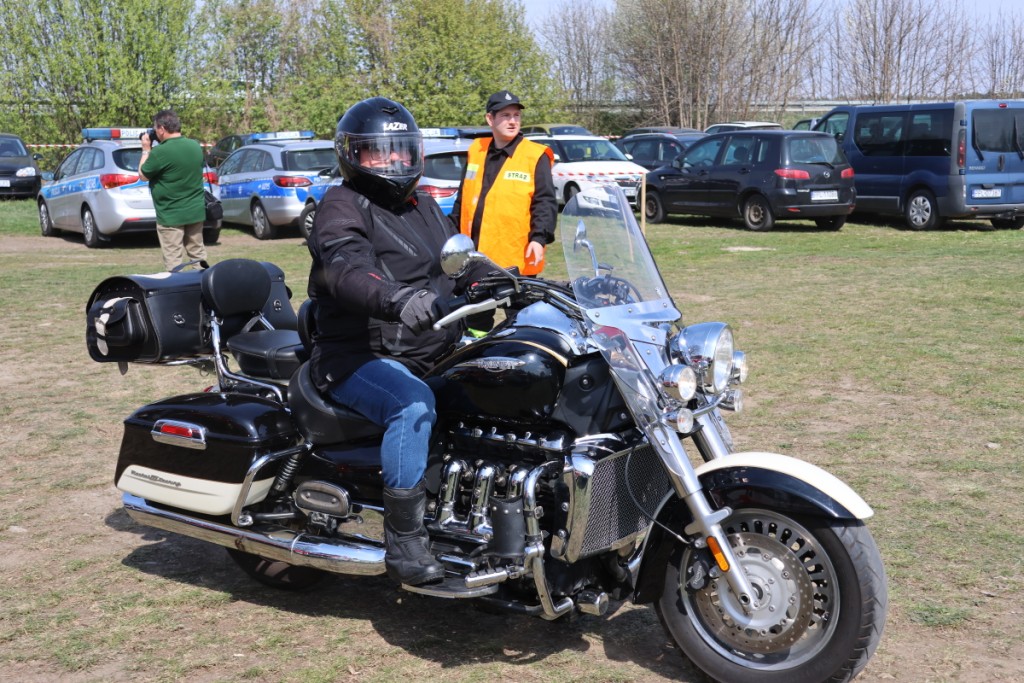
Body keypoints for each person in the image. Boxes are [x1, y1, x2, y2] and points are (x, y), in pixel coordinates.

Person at [306, 97, 490, 587]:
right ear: (352, 156)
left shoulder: (422, 205)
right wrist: (397, 298)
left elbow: (459, 262)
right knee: (411, 404)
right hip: (358, 356)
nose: (392, 160)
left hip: (431, 350)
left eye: (400, 150)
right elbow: (346, 269)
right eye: (377, 152)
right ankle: (404, 540)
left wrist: (503, 280)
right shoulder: (340, 206)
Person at [450, 90, 557, 276]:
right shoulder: (476, 151)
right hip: (473, 256)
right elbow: (463, 198)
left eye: (516, 115)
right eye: (506, 115)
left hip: (515, 258)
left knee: (518, 298)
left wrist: (539, 239)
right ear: (490, 119)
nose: (513, 121)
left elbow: (545, 202)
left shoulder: (535, 155)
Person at [139, 110, 208, 272]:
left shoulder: (160, 152)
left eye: (156, 129)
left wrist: (146, 149)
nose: (155, 132)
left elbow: (143, 175)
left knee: (174, 261)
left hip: (170, 214)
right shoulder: (195, 146)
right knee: (198, 255)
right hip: (195, 211)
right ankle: (203, 283)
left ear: (162, 129)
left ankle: (177, 286)